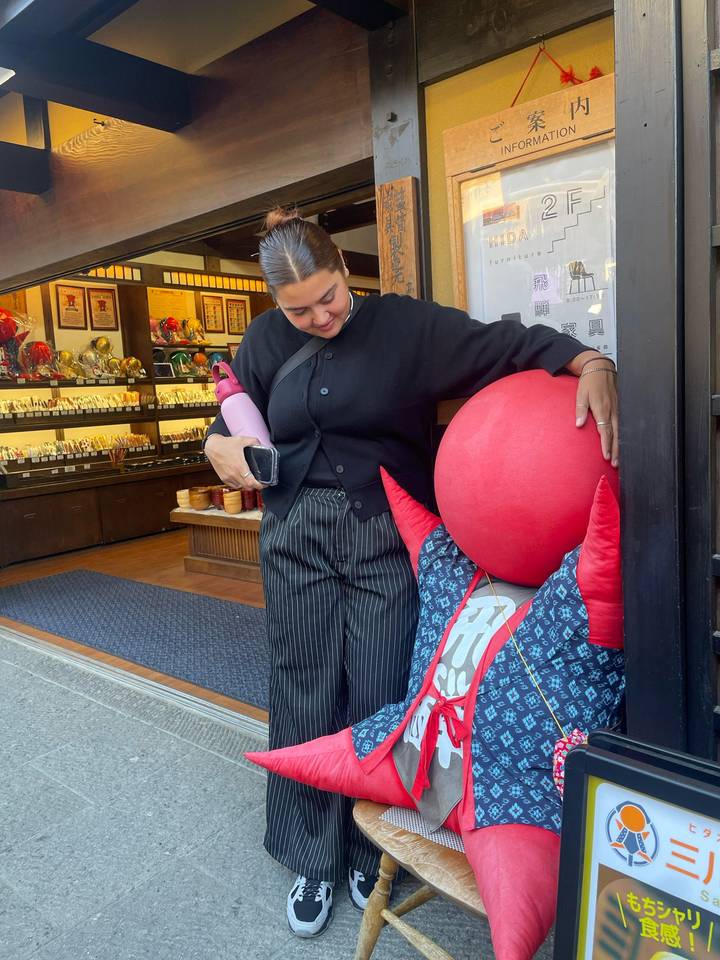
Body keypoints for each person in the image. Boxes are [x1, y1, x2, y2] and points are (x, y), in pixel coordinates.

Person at [204, 207, 618, 938]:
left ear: (343, 272)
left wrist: (590, 362)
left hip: (386, 531)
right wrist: (220, 453)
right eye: (298, 310)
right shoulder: (266, 339)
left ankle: (368, 849)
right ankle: (311, 856)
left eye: (328, 297)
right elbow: (232, 420)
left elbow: (507, 346)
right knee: (300, 678)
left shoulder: (407, 329)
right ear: (275, 305)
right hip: (293, 526)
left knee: (380, 681)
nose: (319, 317)